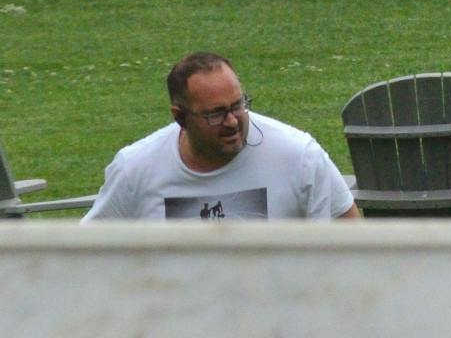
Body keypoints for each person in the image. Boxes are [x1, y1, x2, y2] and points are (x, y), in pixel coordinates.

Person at [83, 52, 359, 221]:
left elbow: (353, 242)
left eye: (238, 105)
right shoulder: (135, 170)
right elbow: (89, 256)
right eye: (215, 114)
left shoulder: (299, 156)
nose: (231, 122)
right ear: (180, 118)